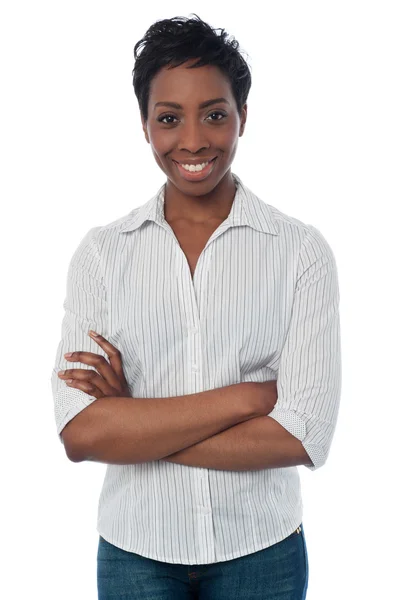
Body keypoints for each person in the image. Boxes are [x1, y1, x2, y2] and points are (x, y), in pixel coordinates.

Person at [51, 13, 342, 600]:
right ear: (144, 125)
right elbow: (81, 432)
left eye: (214, 114)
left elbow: (304, 435)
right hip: (136, 555)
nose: (192, 141)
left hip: (262, 555)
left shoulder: (300, 252)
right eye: (168, 119)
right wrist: (251, 398)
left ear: (242, 117)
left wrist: (134, 421)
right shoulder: (104, 254)